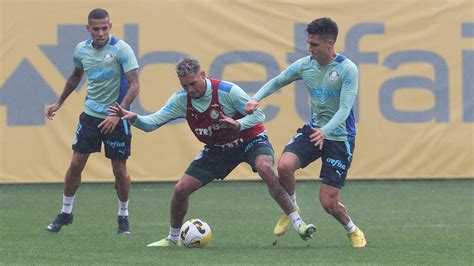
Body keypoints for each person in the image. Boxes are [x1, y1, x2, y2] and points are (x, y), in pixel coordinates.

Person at [108, 56, 316, 247]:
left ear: (203, 75)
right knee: (181, 189)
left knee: (265, 167)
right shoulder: (181, 100)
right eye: (185, 85)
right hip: (219, 150)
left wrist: (237, 124)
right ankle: (172, 238)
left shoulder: (227, 91)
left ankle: (298, 223)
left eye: (193, 83)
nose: (190, 89)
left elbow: (259, 116)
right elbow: (152, 123)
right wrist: (134, 118)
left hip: (250, 139)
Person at [244, 17, 367, 248]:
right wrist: (255, 98)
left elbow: (345, 109)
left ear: (330, 44)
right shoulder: (305, 65)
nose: (309, 49)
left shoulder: (347, 69)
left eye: (314, 45)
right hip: (314, 131)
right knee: (284, 166)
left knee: (328, 202)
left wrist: (326, 130)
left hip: (340, 137)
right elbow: (277, 81)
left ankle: (352, 229)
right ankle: (291, 208)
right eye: (308, 43)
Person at [44, 8, 140, 235]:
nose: (100, 33)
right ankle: (66, 213)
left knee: (119, 170)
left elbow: (135, 85)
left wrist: (117, 114)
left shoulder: (121, 49)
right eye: (95, 29)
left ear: (110, 26)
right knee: (76, 164)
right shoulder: (81, 50)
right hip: (91, 116)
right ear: (88, 29)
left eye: (104, 28)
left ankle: (123, 216)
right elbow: (76, 76)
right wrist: (59, 102)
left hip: (117, 117)